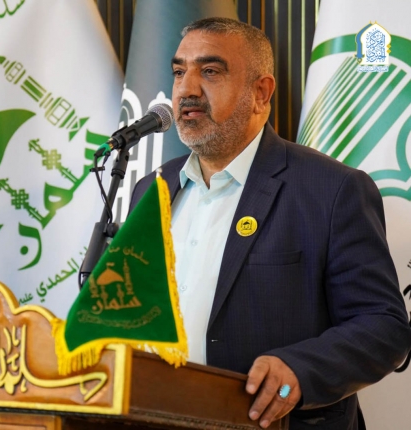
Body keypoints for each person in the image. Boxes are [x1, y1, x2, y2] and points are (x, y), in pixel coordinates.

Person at [129, 17, 411, 430]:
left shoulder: (331, 190)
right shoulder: (150, 189)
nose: (187, 89)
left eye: (210, 71)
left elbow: (383, 327)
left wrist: (299, 369)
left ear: (260, 93)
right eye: (178, 72)